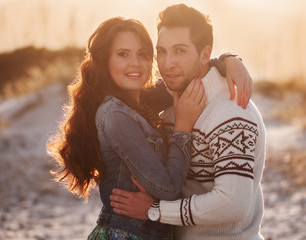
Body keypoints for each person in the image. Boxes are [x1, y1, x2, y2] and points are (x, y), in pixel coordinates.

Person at [47, 16, 253, 240]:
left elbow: (188, 71)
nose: (135, 63)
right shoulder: (115, 114)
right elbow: (168, 188)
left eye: (143, 54)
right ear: (105, 60)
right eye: (123, 54)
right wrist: (183, 128)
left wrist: (229, 60)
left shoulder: (141, 101)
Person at [110, 4, 266, 240]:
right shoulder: (171, 101)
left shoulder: (232, 111)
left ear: (205, 54)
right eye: (161, 51)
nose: (167, 63)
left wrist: (155, 211)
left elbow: (234, 203)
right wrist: (227, 59)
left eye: (180, 51)